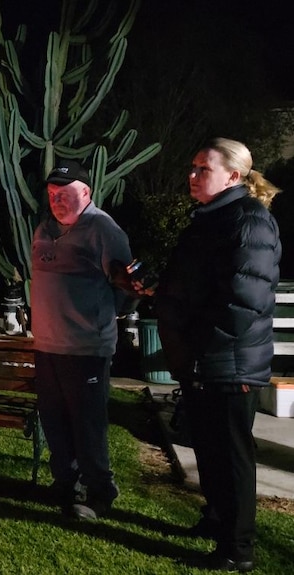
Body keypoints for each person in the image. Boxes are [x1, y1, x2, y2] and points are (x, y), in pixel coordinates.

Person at [155, 138, 280, 573]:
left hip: (227, 360)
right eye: (191, 167)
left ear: (233, 176)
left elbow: (243, 301)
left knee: (231, 457)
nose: (191, 176)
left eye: (201, 169)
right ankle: (215, 521)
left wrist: (198, 343)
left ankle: (238, 548)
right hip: (205, 359)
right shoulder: (209, 220)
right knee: (209, 450)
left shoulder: (249, 221)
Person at [31, 159, 137, 521]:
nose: (57, 200)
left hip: (87, 350)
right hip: (47, 346)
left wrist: (97, 318)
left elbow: (126, 286)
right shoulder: (44, 229)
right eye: (52, 194)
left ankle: (100, 491)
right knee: (55, 423)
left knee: (87, 425)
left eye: (66, 193)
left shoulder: (103, 230)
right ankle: (67, 485)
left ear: (87, 192)